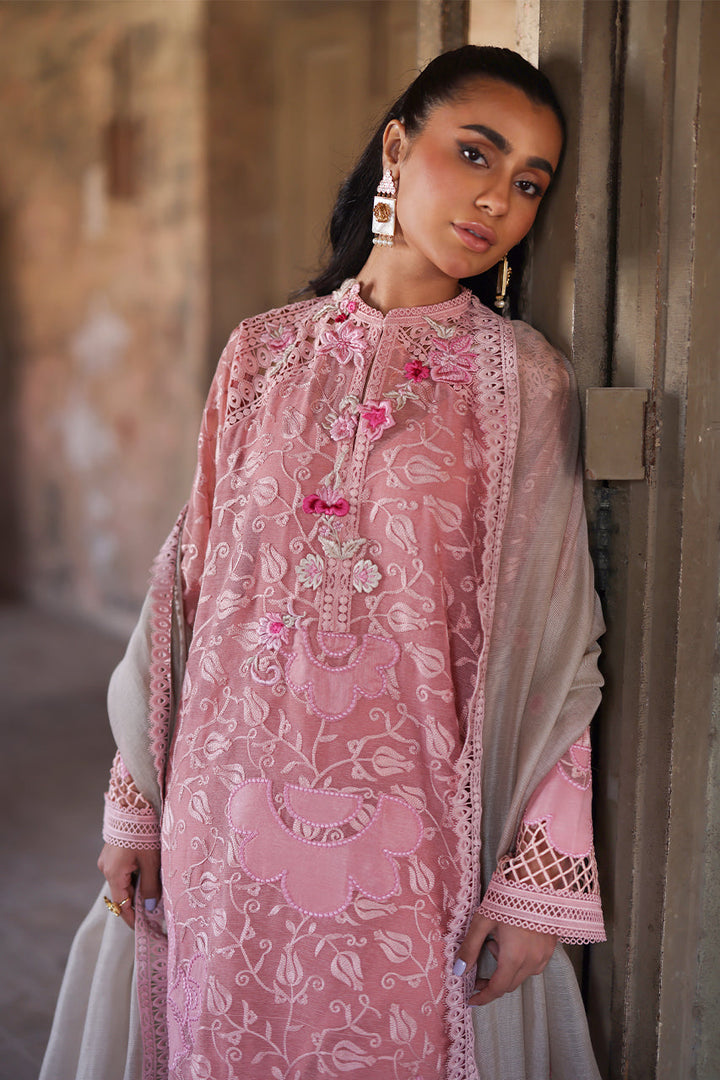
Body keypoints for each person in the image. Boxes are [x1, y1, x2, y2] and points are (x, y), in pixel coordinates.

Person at [41, 45, 606, 1080]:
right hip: (222, 815)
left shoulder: (524, 384)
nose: (499, 199)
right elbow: (186, 593)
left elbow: (558, 641)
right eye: (474, 153)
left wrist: (536, 883)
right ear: (397, 146)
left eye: (530, 183)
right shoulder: (262, 353)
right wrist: (138, 802)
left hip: (410, 840)